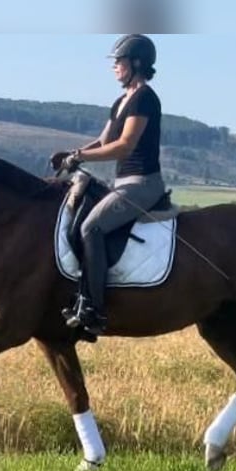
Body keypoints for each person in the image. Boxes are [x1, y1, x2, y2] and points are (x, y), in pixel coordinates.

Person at [51, 34, 166, 336]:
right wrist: (73, 154)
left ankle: (93, 308)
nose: (115, 66)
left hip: (143, 183)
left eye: (119, 61)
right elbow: (104, 142)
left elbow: (124, 146)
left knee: (92, 228)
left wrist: (80, 156)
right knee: (78, 222)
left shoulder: (144, 98)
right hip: (123, 182)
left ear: (136, 63)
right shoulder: (121, 101)